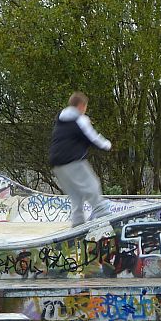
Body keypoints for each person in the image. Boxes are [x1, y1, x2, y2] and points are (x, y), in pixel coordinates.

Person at [49, 91, 115, 226]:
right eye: (85, 107)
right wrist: (107, 145)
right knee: (92, 185)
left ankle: (77, 223)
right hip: (72, 160)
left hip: (57, 164)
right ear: (81, 106)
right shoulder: (80, 119)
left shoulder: (61, 120)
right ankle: (103, 214)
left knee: (75, 194)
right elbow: (93, 137)